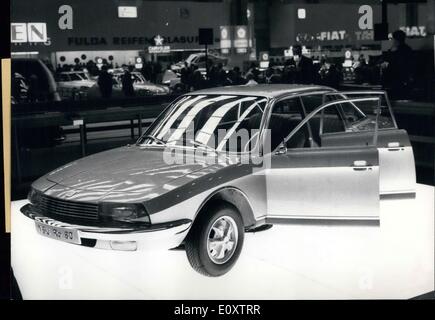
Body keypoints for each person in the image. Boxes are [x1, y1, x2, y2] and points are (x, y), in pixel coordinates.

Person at [381, 30, 414, 100]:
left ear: (396, 39)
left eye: (392, 39)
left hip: (398, 78)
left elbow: (399, 65)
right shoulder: (405, 49)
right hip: (397, 78)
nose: (391, 41)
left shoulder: (402, 51)